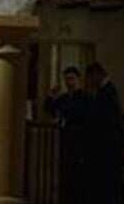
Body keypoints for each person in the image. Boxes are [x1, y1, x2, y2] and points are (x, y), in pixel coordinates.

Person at [45, 66, 92, 202]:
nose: (69, 82)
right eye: (66, 80)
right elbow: (50, 110)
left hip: (80, 137)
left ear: (78, 80)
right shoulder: (64, 98)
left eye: (71, 79)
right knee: (66, 170)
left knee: (78, 172)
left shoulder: (84, 97)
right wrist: (51, 96)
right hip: (66, 137)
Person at [84, 62, 124, 204]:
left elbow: (110, 119)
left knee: (111, 179)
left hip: (110, 145)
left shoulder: (107, 92)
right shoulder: (108, 91)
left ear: (96, 75)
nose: (89, 82)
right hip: (112, 144)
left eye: (90, 78)